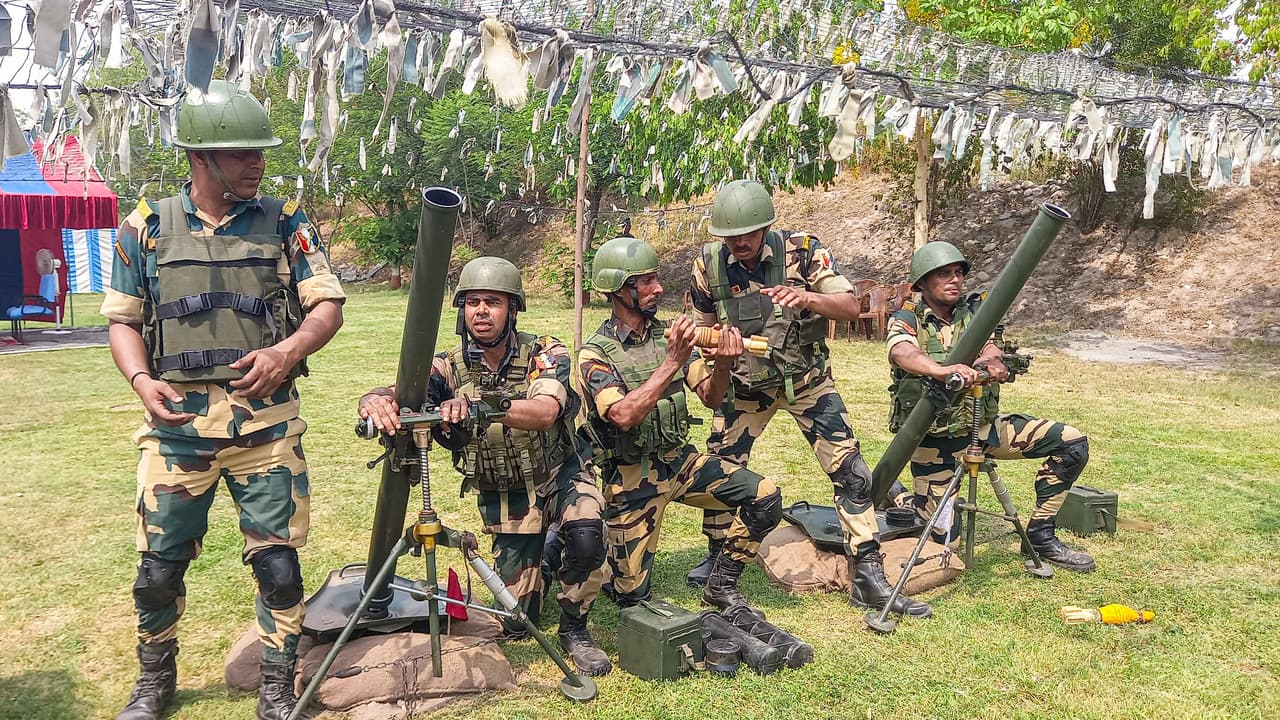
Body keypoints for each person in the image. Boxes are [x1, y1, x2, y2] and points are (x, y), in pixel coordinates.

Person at [102, 80, 345, 720]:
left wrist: (286, 352)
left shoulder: (286, 221)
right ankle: (155, 682)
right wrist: (139, 380)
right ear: (201, 157)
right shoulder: (146, 226)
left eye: (261, 152)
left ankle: (276, 683)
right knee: (157, 573)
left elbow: (327, 305)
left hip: (265, 429)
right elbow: (123, 320)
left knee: (279, 571)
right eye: (243, 153)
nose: (258, 163)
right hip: (176, 429)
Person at [358, 257, 612, 677]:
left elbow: (546, 410)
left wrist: (481, 408)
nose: (480, 311)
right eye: (472, 302)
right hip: (507, 493)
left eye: (492, 302)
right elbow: (402, 389)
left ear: (513, 309)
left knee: (586, 533)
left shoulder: (544, 352)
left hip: (560, 473)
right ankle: (546, 553)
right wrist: (375, 398)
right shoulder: (450, 365)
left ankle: (575, 627)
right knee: (516, 623)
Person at [688, 179, 930, 618]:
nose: (740, 242)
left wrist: (807, 297)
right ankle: (717, 556)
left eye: (748, 233)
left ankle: (867, 571)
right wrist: (713, 349)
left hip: (807, 382)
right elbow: (702, 326)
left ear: (766, 227)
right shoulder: (707, 267)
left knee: (851, 472)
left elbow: (852, 306)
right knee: (721, 473)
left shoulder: (802, 251)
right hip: (745, 389)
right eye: (730, 236)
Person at [578, 236, 783, 610]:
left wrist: (723, 362)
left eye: (656, 279)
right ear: (617, 289)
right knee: (633, 600)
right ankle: (605, 557)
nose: (658, 288)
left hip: (681, 463)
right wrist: (671, 362)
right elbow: (623, 416)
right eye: (646, 281)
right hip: (630, 481)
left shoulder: (667, 335)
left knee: (765, 496)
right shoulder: (594, 353)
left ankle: (721, 585)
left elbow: (711, 396)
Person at [885, 241, 1095, 572]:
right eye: (943, 274)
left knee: (1071, 442)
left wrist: (989, 360)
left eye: (958, 273)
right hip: (933, 442)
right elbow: (902, 352)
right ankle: (900, 496)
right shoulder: (907, 318)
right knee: (944, 552)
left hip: (982, 429)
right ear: (922, 282)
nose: (954, 280)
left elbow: (990, 346)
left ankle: (1040, 534)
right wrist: (942, 370)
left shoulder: (973, 314)